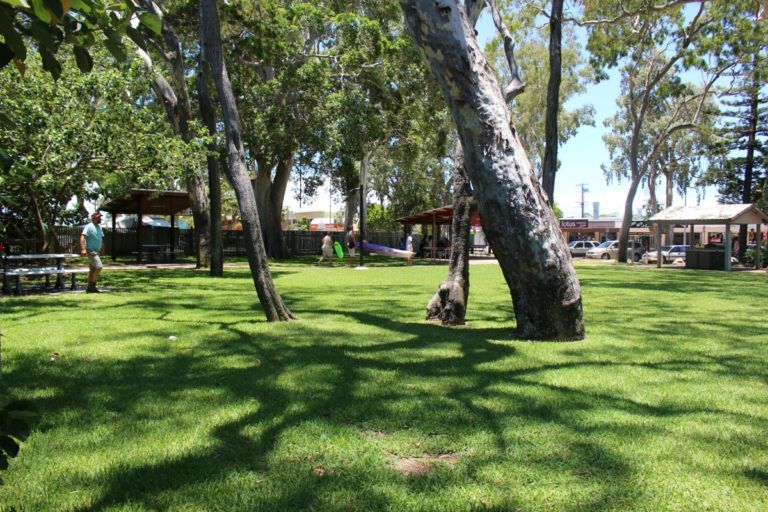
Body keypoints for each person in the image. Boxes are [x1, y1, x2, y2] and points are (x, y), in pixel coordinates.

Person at [80, 210, 104, 293]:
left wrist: (102, 247)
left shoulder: (99, 227)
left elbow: (100, 238)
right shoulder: (89, 226)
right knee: (99, 267)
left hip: (97, 251)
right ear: (94, 217)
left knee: (93, 269)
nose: (100, 218)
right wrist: (83, 249)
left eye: (100, 217)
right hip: (91, 250)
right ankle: (92, 285)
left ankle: (90, 288)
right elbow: (83, 237)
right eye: (98, 217)